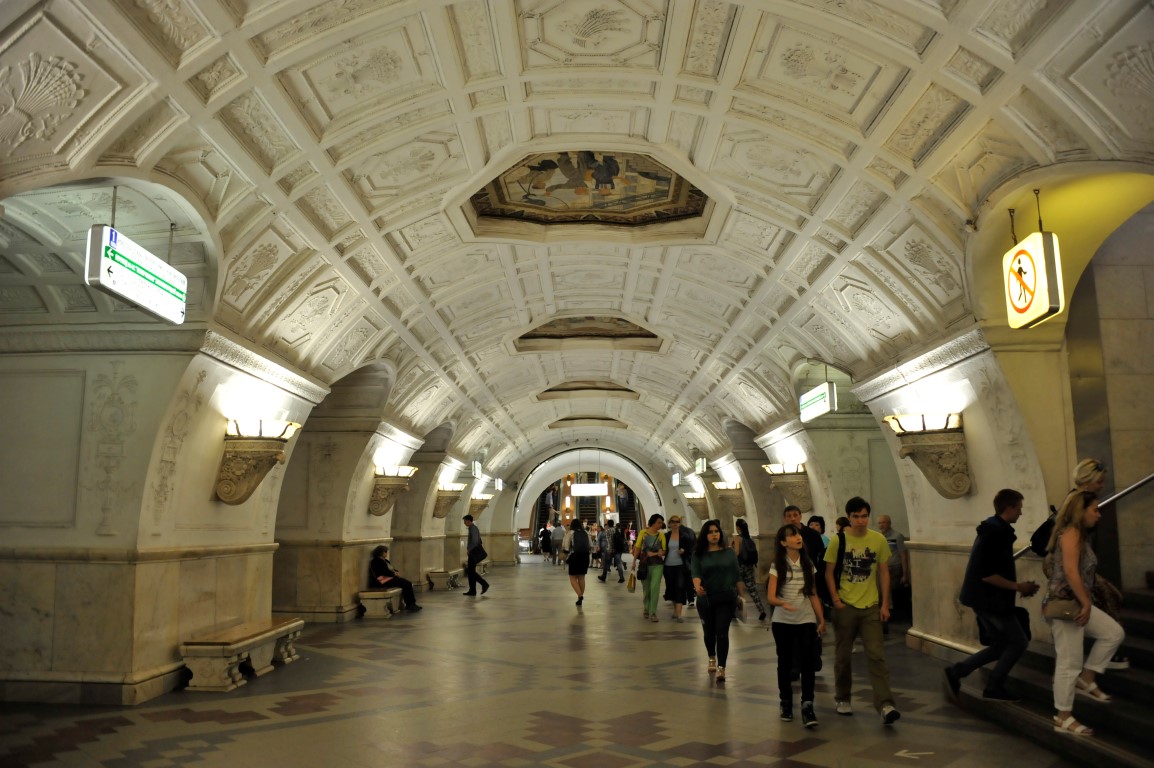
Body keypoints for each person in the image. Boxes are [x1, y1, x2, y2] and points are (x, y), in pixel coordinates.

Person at [944, 489, 1038, 702]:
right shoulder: (996, 534)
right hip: (991, 601)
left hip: (983, 598)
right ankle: (994, 686)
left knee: (1001, 644)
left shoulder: (993, 529)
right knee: (1018, 642)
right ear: (1009, 508)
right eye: (1019, 508)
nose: (1021, 513)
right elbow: (988, 575)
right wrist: (1019, 586)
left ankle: (957, 672)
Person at [1044, 490, 1125, 737]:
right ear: (1081, 510)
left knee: (1113, 633)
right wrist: (1087, 604)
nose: (1098, 515)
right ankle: (1063, 717)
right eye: (1095, 509)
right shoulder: (1071, 533)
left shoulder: (1080, 535)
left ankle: (1087, 678)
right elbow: (1070, 571)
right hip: (1066, 605)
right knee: (1069, 663)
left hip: (1078, 603)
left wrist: (1086, 602)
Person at [824, 496, 901, 725]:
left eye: (864, 516)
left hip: (870, 607)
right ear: (849, 517)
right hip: (845, 607)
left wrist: (885, 604)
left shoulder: (878, 540)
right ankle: (842, 698)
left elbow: (884, 572)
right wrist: (836, 599)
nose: (861, 520)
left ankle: (885, 704)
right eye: (856, 516)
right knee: (843, 656)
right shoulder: (838, 541)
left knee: (876, 655)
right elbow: (829, 573)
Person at [768, 524, 825, 727]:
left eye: (798, 534)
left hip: (806, 620)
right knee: (785, 662)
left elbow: (813, 593)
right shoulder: (777, 565)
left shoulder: (808, 564)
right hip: (782, 621)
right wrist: (782, 603)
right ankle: (785, 701)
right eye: (792, 536)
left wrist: (821, 619)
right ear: (783, 542)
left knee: (808, 662)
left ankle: (807, 704)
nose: (798, 538)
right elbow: (771, 596)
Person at [692, 519, 743, 682]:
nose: (714, 534)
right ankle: (711, 657)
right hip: (706, 599)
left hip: (726, 598)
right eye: (710, 532)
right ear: (704, 535)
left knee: (722, 632)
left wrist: (741, 596)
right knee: (709, 632)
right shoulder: (698, 554)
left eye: (716, 531)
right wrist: (697, 587)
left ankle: (722, 667)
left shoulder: (729, 552)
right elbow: (696, 573)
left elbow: (737, 575)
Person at [631, 514, 667, 622]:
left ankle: (653, 612)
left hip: (658, 565)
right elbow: (637, 548)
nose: (660, 525)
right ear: (653, 522)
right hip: (645, 565)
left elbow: (664, 550)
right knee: (646, 589)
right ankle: (646, 607)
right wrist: (634, 562)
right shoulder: (643, 533)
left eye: (661, 523)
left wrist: (661, 552)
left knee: (655, 588)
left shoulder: (661, 535)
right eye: (658, 522)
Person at [733, 518, 769, 621]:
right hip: (749, 567)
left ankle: (736, 611)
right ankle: (761, 610)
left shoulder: (737, 538)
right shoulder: (750, 539)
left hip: (739, 566)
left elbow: (736, 553)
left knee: (736, 590)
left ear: (738, 527)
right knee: (752, 589)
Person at [367, 545, 422, 612]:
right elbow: (383, 572)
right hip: (382, 580)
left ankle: (412, 603)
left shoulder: (385, 561)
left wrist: (396, 571)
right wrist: (393, 574)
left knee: (407, 583)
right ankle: (410, 604)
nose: (386, 553)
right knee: (407, 584)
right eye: (385, 552)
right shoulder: (376, 561)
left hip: (389, 578)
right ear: (380, 552)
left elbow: (391, 569)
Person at [877, 515, 910, 623]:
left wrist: (905, 574)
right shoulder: (879, 537)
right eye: (879, 523)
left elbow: (903, 555)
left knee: (891, 591)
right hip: (882, 568)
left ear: (889, 523)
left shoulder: (897, 536)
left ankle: (892, 615)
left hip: (894, 567)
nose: (881, 525)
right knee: (883, 591)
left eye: (883, 522)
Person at [662, 515, 695, 621]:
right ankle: (675, 610)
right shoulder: (666, 536)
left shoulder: (684, 536)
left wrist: (683, 552)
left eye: (677, 521)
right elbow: (663, 549)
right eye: (673, 521)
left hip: (680, 566)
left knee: (680, 587)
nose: (675, 523)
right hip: (668, 566)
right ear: (670, 523)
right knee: (671, 588)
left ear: (679, 523)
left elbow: (690, 550)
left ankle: (679, 613)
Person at [564, 518, 592, 606]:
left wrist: (565, 554)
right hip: (585, 556)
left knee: (572, 578)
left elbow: (566, 547)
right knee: (581, 578)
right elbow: (591, 545)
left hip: (575, 556)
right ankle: (580, 597)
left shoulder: (570, 533)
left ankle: (580, 595)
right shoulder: (586, 532)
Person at [462, 514, 490, 596]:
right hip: (473, 552)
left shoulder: (473, 529)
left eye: (465, 521)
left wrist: (469, 550)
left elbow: (475, 541)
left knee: (470, 571)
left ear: (469, 520)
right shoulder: (472, 528)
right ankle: (473, 590)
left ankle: (484, 584)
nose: (464, 523)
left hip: (473, 553)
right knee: (470, 571)